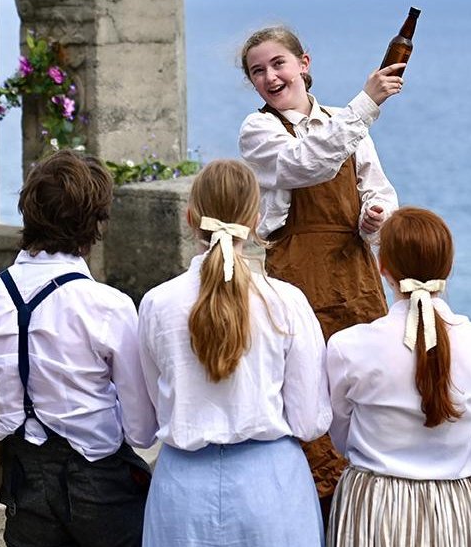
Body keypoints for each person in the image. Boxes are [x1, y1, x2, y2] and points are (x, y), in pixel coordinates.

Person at [0, 150, 156, 547]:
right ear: (95, 223)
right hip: (102, 486)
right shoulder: (108, 305)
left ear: (28, 211)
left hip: (25, 483)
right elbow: (143, 430)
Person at [237, 25, 403, 501]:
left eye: (278, 63)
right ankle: (317, 510)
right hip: (295, 277)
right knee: (306, 391)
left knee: (368, 386)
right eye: (257, 71)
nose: (270, 76)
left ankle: (372, 503)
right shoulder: (259, 130)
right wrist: (366, 103)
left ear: (303, 64)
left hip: (355, 275)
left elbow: (379, 191)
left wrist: (373, 217)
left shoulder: (343, 121)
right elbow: (305, 163)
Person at [136, 159, 329, 545]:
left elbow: (143, 424)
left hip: (181, 495)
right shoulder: (286, 302)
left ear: (191, 218)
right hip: (271, 492)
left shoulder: (157, 304)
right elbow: (310, 422)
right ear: (255, 222)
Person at [325, 207, 471, 547]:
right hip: (459, 511)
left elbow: (340, 436)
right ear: (447, 268)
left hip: (374, 506)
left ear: (383, 267)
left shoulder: (349, 346)